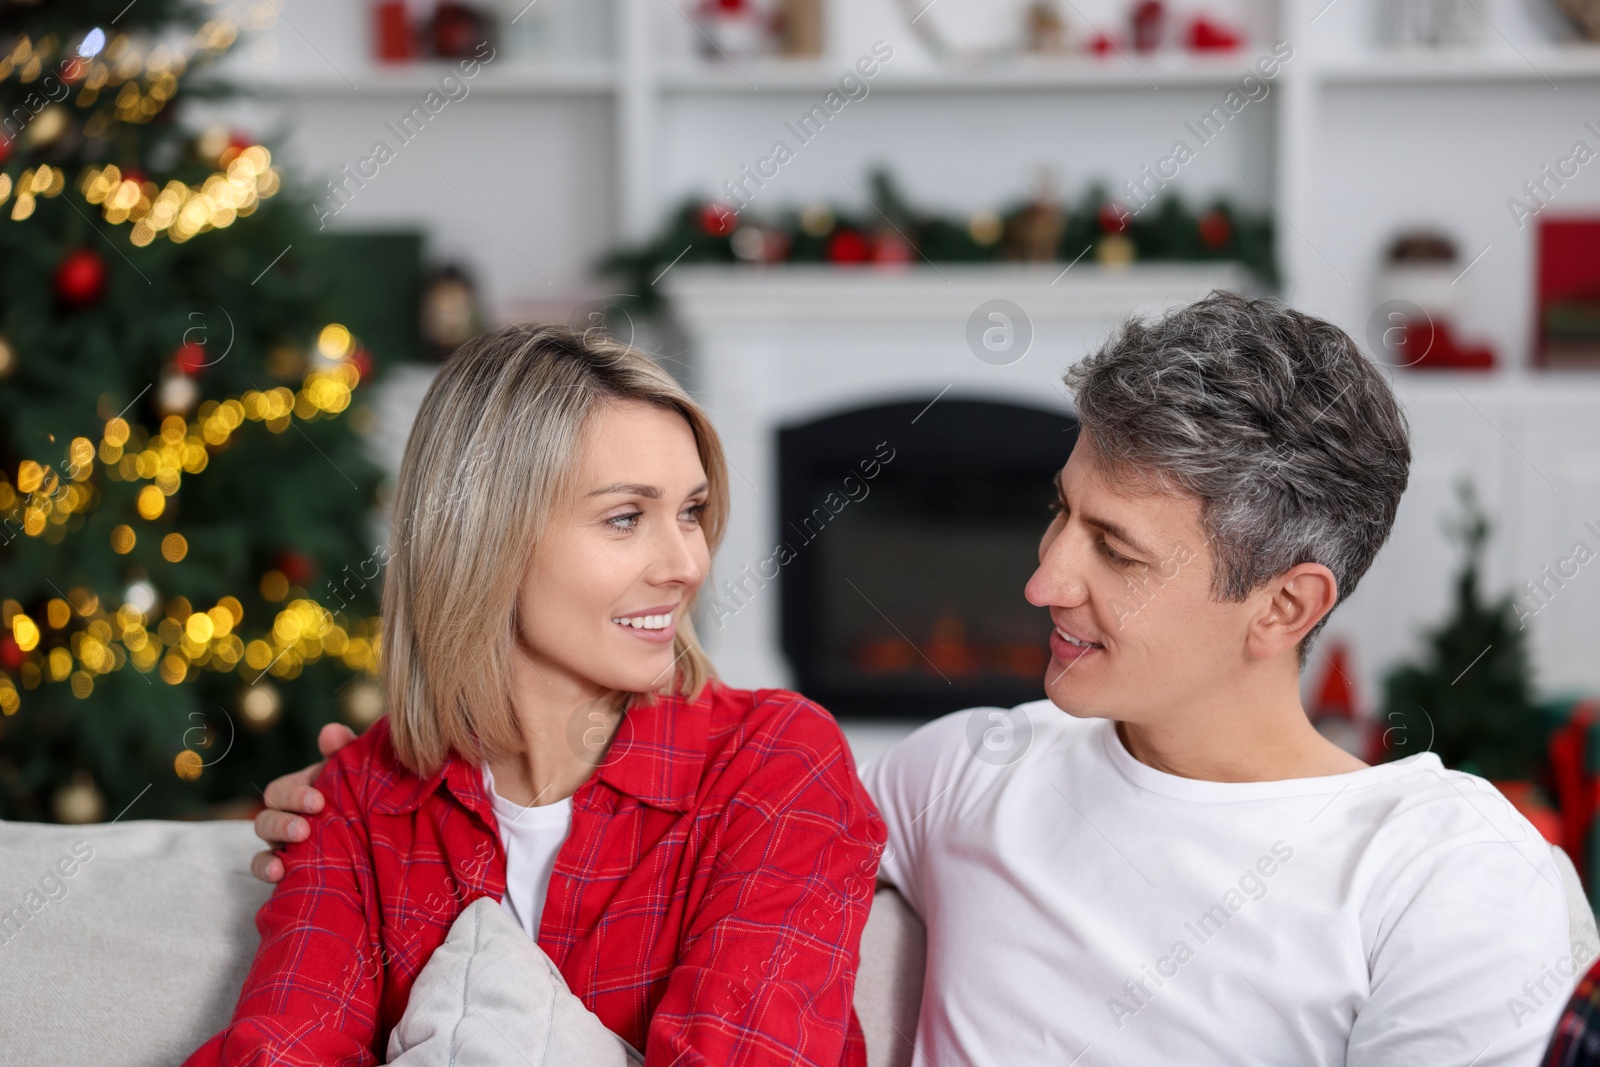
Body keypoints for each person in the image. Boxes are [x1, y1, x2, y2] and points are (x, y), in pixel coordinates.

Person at [257, 294, 1571, 1064]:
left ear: (1286, 605)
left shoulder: (1446, 870)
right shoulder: (964, 774)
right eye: (1060, 512)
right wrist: (372, 801)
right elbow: (707, 819)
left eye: (1113, 547)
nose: (1044, 578)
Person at [191, 325, 884, 1067]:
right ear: (486, 537)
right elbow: (278, 1053)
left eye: (690, 510)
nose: (687, 563)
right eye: (626, 517)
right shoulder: (359, 799)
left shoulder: (776, 761)